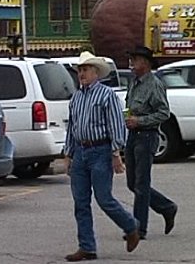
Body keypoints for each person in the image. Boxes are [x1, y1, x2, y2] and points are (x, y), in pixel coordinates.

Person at [63, 51, 140, 262]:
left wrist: (116, 153)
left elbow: (116, 125)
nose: (82, 74)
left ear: (96, 72)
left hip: (100, 151)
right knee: (80, 202)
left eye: (86, 69)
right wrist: (68, 154)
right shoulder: (77, 97)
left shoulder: (107, 95)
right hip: (80, 151)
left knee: (104, 198)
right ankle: (87, 247)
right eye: (80, 70)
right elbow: (72, 127)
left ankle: (131, 226)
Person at [124, 45, 178, 240]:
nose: (131, 62)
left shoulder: (154, 84)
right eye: (131, 58)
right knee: (132, 183)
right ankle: (167, 207)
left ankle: (139, 228)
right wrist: (129, 119)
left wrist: (141, 121)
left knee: (141, 183)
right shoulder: (134, 83)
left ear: (145, 63)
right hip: (133, 135)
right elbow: (129, 105)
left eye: (135, 59)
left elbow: (164, 112)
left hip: (147, 136)